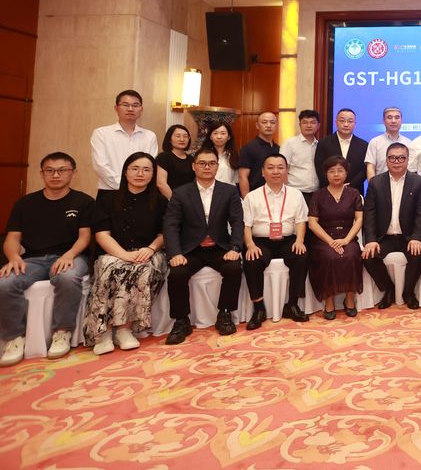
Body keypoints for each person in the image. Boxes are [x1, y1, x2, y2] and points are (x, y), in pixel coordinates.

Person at [0, 153, 94, 366]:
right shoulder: (25, 203)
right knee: (5, 282)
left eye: (62, 170)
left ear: (73, 173)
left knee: (67, 277)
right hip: (33, 259)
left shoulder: (84, 201)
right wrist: (13, 257)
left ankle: (62, 332)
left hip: (71, 255)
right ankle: (14, 338)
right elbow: (12, 238)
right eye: (50, 170)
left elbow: (85, 237)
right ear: (42, 174)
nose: (55, 175)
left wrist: (69, 254)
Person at [83, 152, 168, 354]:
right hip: (114, 251)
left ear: (153, 174)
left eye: (146, 169)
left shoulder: (160, 201)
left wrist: (150, 249)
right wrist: (123, 254)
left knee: (142, 269)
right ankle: (103, 332)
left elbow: (165, 234)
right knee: (108, 267)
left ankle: (124, 329)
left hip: (148, 251)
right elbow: (101, 235)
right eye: (135, 168)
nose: (140, 173)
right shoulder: (107, 199)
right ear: (125, 172)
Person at [163, 146, 244, 344]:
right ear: (193, 166)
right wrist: (174, 253)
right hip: (191, 249)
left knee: (234, 268)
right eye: (202, 163)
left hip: (219, 248)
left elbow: (237, 222)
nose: (207, 167)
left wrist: (235, 248)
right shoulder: (180, 193)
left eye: (211, 163)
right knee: (177, 273)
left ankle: (224, 314)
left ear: (217, 166)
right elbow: (171, 225)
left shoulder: (229, 191)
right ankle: (181, 320)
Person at [242, 154, 309, 329]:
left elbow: (300, 221)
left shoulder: (296, 194)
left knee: (301, 255)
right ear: (263, 172)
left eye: (280, 167)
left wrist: (300, 240)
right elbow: (246, 225)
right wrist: (250, 245)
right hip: (261, 241)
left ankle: (292, 304)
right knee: (252, 259)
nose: (276, 171)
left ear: (287, 171)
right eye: (270, 167)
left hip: (288, 240)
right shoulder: (252, 196)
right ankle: (259, 308)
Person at [361, 143, 421, 309]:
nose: (396, 161)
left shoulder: (419, 182)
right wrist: (370, 240)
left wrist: (416, 237)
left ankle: (408, 292)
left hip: (408, 236)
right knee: (368, 256)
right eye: (392, 158)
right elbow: (369, 214)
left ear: (408, 160)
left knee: (417, 254)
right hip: (384, 237)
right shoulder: (376, 182)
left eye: (401, 158)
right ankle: (389, 290)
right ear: (386, 160)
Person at [307, 156, 364, 319]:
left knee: (351, 254)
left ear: (346, 173)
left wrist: (346, 240)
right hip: (324, 239)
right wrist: (330, 241)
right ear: (326, 174)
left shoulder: (354, 193)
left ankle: (349, 298)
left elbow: (359, 219)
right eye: (332, 171)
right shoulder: (318, 195)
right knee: (329, 256)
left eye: (340, 170)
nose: (336, 174)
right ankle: (329, 300)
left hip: (347, 236)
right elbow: (312, 223)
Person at [90, 90, 158, 209]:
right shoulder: (101, 133)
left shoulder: (150, 136)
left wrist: (134, 186)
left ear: (141, 109)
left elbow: (150, 165)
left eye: (135, 105)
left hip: (142, 194)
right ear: (116, 108)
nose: (130, 109)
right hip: (109, 192)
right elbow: (100, 165)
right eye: (126, 105)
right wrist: (125, 186)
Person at [314, 107, 369, 193]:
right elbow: (319, 167)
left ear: (355, 124)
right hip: (328, 191)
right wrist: (333, 185)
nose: (346, 124)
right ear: (336, 122)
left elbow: (364, 170)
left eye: (350, 121)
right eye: (342, 121)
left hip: (355, 191)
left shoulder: (363, 145)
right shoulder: (323, 143)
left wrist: (350, 186)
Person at [280, 109, 321, 205]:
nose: (309, 125)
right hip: (295, 191)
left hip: (316, 193)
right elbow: (283, 168)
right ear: (300, 125)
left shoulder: (320, 145)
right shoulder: (290, 143)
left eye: (312, 122)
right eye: (305, 122)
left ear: (318, 125)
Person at [365, 107, 413, 180]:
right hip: (381, 185)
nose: (393, 121)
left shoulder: (408, 142)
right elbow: (370, 167)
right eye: (389, 118)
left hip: (404, 184)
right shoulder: (375, 142)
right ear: (384, 121)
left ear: (401, 121)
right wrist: (373, 185)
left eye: (397, 118)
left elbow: (411, 168)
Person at [239, 111, 279, 197]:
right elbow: (243, 176)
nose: (268, 125)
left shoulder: (279, 148)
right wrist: (246, 199)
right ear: (257, 125)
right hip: (255, 196)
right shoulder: (249, 148)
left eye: (272, 122)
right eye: (264, 122)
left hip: (276, 194)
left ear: (277, 125)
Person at [155, 124, 194, 199]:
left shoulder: (192, 159)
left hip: (188, 199)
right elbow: (161, 184)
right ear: (169, 139)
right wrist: (175, 201)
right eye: (178, 136)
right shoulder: (163, 157)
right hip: (169, 200)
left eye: (185, 136)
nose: (182, 139)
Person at [200, 120, 239, 187]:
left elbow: (237, 179)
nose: (219, 137)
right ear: (210, 137)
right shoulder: (202, 155)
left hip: (229, 191)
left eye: (223, 133)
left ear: (229, 137)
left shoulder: (234, 156)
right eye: (215, 133)